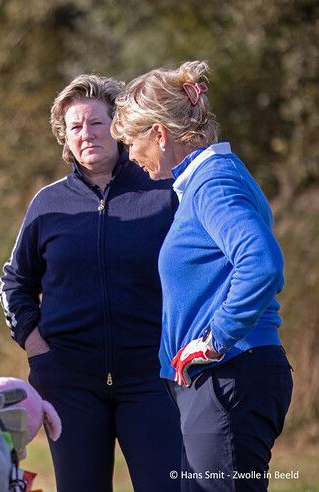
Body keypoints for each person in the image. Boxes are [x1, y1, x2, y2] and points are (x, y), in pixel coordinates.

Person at [111, 60, 293, 491]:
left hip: (230, 376)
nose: (131, 155)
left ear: (160, 133)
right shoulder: (206, 181)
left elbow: (261, 262)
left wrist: (216, 340)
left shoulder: (213, 182)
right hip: (224, 382)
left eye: (132, 141)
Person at [0, 74, 181, 491]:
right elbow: (15, 283)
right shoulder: (48, 204)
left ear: (118, 126)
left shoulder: (164, 192)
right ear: (65, 138)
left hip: (153, 381)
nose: (86, 134)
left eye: (95, 123)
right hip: (70, 385)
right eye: (75, 127)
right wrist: (39, 353)